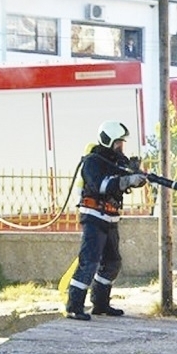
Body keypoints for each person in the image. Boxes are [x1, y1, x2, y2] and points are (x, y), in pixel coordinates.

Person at [66, 121, 147, 320]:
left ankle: (100, 304)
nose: (121, 146)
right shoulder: (93, 161)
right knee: (90, 261)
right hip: (93, 217)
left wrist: (137, 176)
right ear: (108, 140)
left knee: (112, 262)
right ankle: (74, 307)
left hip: (111, 218)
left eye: (122, 142)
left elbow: (127, 179)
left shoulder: (117, 161)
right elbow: (101, 185)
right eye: (118, 142)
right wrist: (126, 180)